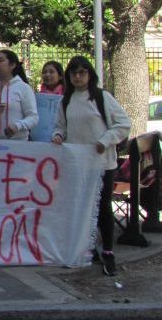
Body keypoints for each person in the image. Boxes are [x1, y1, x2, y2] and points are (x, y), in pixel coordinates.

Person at [52, 56, 130, 276]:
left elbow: (123, 123)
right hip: (77, 164)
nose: (78, 77)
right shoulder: (65, 101)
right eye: (74, 73)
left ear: (89, 74)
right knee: (80, 206)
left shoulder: (101, 97)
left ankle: (108, 250)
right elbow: (60, 126)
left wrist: (104, 141)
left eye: (82, 72)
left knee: (102, 206)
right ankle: (86, 246)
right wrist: (58, 135)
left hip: (102, 163)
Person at [0, 49, 38, 140]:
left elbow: (33, 117)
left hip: (19, 145)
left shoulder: (23, 88)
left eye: (1, 60)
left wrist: (17, 126)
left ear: (12, 65)